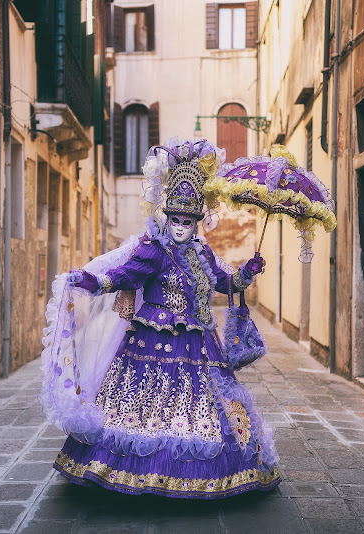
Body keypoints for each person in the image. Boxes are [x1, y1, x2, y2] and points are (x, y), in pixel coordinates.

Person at [39, 138, 280, 498]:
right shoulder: (154, 250)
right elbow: (125, 274)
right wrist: (93, 280)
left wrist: (248, 273)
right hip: (151, 341)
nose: (182, 224)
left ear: (198, 220)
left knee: (207, 409)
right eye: (176, 218)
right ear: (167, 215)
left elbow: (223, 283)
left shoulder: (202, 252)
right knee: (144, 406)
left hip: (199, 343)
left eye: (189, 219)